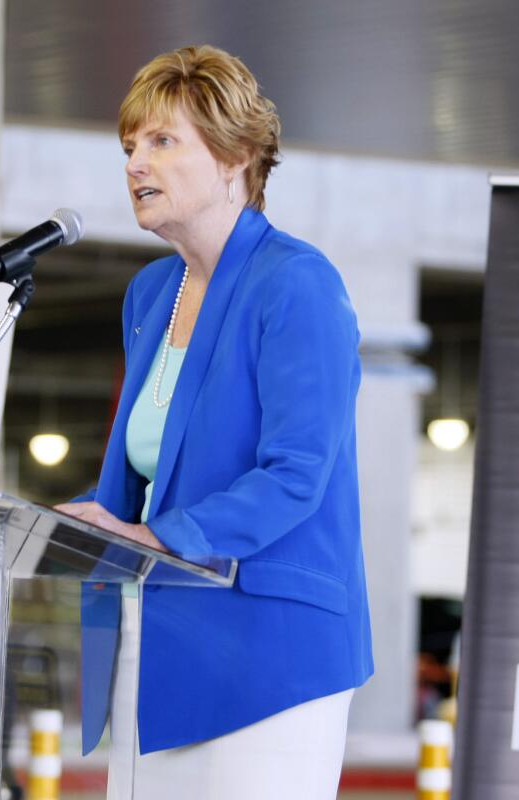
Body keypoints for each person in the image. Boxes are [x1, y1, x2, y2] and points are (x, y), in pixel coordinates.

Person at [55, 44, 373, 800]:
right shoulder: (149, 294)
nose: (136, 163)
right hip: (158, 645)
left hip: (271, 656)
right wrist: (102, 530)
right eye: (130, 146)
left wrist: (157, 539)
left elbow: (296, 475)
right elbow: (142, 480)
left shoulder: (297, 283)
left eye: (162, 142)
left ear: (236, 157)